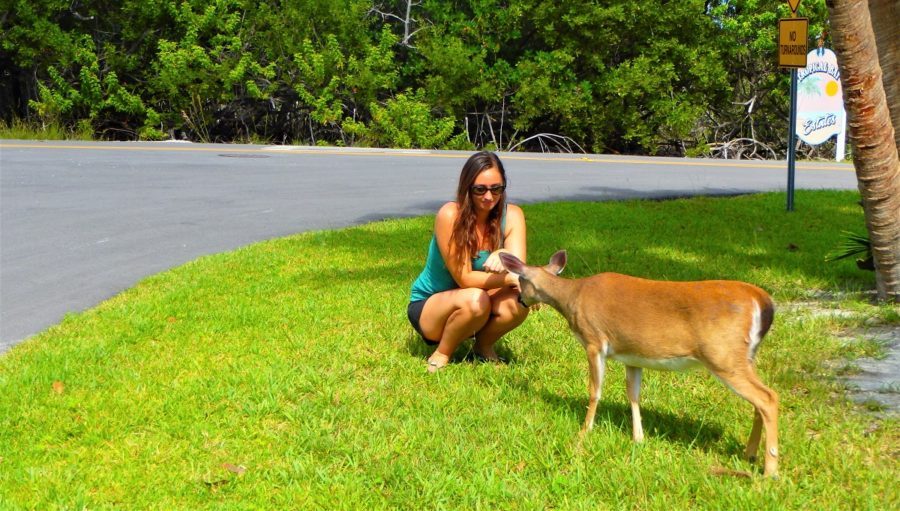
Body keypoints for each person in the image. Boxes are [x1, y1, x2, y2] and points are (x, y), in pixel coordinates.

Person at [407, 151, 529, 372]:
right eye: (480, 189)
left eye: (496, 189)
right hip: (431, 307)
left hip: (479, 301)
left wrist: (503, 253)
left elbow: (520, 272)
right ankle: (443, 352)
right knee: (475, 299)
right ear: (467, 188)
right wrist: (511, 275)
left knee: (520, 300)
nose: (489, 197)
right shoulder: (450, 215)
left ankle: (482, 347)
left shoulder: (513, 216)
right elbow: (465, 279)